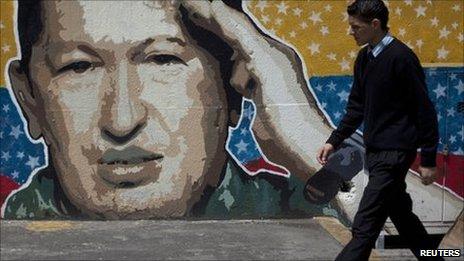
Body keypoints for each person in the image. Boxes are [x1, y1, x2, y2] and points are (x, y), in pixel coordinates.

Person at [3, 0, 353, 220]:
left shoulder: (317, 216)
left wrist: (306, 135)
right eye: (78, 67)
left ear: (231, 92)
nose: (122, 120)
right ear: (29, 100)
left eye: (163, 60)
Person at [316, 0, 440, 260]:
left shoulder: (401, 58)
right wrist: (334, 141)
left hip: (394, 154)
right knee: (403, 217)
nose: (351, 32)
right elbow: (356, 107)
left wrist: (428, 159)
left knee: (364, 226)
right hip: (376, 152)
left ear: (375, 25)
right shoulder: (365, 58)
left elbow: (424, 110)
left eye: (356, 27)